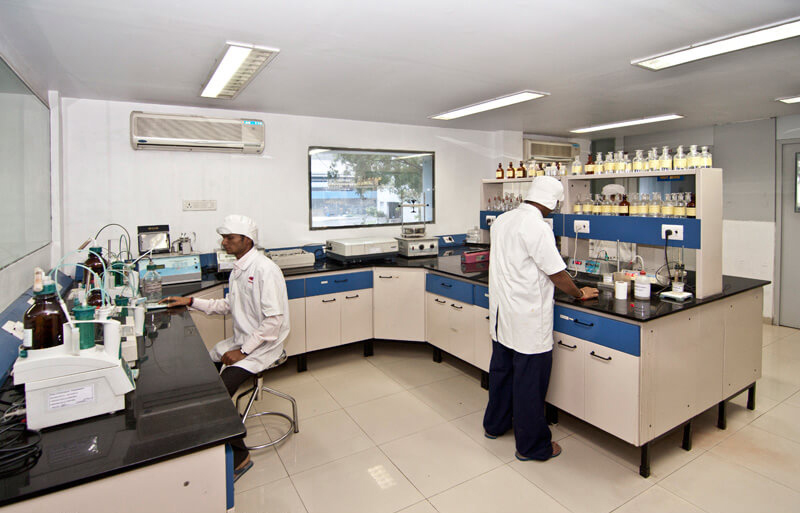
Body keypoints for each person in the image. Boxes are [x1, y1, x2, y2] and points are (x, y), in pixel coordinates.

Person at [162, 214, 290, 481]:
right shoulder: (238, 270)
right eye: (223, 237)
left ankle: (240, 457)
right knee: (203, 379)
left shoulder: (266, 270)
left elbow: (274, 323)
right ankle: (209, 438)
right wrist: (190, 301)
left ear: (247, 239)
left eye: (229, 238)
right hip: (243, 341)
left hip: (264, 346)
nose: (224, 242)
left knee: (219, 395)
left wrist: (243, 352)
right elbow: (227, 306)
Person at [483, 176, 599, 461]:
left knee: (502, 372)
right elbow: (557, 273)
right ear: (553, 202)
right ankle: (532, 446)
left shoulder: (503, 220)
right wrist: (578, 293)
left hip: (502, 314)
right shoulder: (537, 226)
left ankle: (495, 425)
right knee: (529, 383)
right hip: (528, 318)